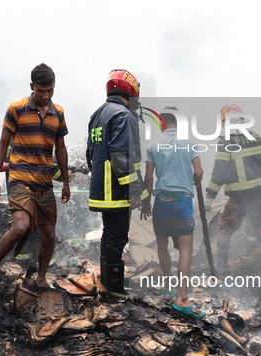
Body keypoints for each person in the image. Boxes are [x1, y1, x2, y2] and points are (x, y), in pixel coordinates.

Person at [0, 63, 70, 296]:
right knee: (21, 226)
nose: (45, 96)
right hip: (19, 179)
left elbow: (62, 149)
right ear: (31, 87)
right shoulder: (16, 109)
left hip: (44, 182)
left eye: (50, 91)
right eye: (41, 91)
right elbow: (2, 144)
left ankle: (41, 278)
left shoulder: (59, 113)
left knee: (49, 233)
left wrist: (65, 182)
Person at [86, 69, 148, 297]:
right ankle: (114, 288)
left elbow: (89, 153)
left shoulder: (98, 114)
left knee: (109, 234)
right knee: (118, 236)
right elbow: (121, 156)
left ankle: (106, 280)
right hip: (116, 189)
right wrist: (133, 188)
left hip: (102, 188)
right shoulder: (124, 115)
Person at [144, 107, 205, 318]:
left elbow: (149, 179)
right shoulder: (190, 144)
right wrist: (194, 181)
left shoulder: (152, 146)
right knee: (185, 250)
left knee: (162, 243)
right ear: (178, 124)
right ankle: (182, 297)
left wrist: (146, 200)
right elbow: (198, 172)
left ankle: (168, 284)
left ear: (161, 124)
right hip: (183, 202)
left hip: (162, 201)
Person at [204, 104, 261, 268]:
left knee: (225, 229)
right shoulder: (256, 137)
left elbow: (219, 172)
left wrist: (209, 197)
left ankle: (221, 263)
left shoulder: (226, 141)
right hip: (259, 195)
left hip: (239, 197)